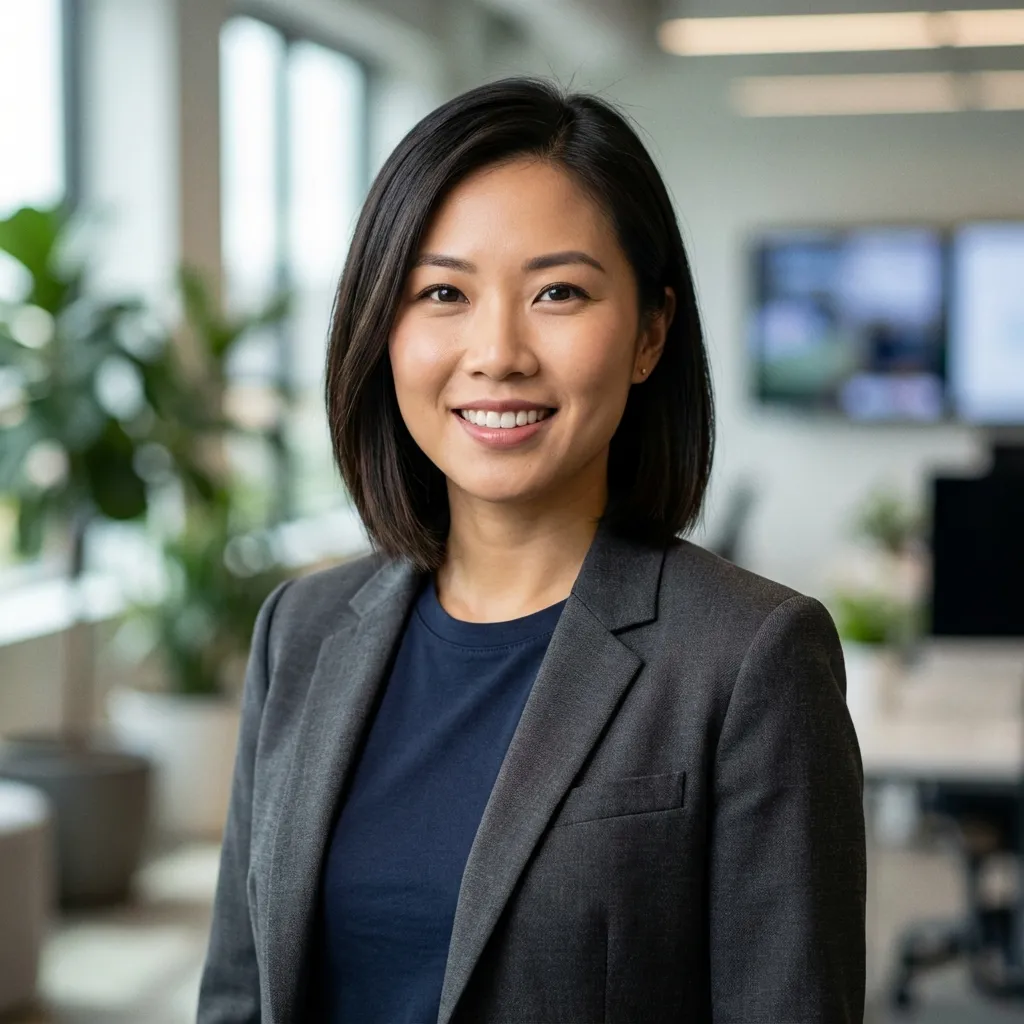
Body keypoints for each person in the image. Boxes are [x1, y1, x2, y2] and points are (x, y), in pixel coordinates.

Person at [197, 77, 865, 1024]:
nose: (498, 351)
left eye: (558, 291)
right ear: (382, 330)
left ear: (650, 333)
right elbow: (239, 992)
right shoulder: (297, 633)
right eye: (443, 292)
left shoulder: (750, 657)